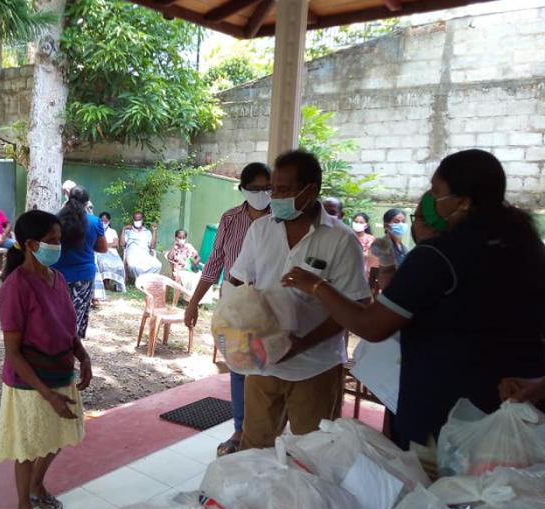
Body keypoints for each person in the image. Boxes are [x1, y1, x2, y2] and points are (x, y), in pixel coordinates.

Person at [281, 149, 545, 449]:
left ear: (465, 201)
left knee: (440, 490)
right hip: (521, 406)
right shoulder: (528, 247)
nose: (431, 200)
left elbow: (372, 326)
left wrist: (316, 286)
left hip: (448, 415)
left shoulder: (439, 256)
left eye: (437, 192)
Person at [230, 150, 371, 450]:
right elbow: (239, 281)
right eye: (273, 188)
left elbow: (355, 309)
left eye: (284, 190)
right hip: (264, 363)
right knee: (253, 450)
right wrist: (232, 320)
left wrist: (299, 345)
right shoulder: (261, 229)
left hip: (316, 366)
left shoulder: (341, 240)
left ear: (311, 190)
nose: (275, 196)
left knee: (314, 456)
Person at [0, 210, 93, 509]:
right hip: (29, 383)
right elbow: (13, 353)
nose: (57, 247)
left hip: (60, 373)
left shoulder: (58, 279)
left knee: (56, 437)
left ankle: (38, 487)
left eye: (59, 241)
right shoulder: (15, 287)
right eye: (51, 241)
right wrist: (47, 394)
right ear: (30, 244)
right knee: (28, 447)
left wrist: (84, 357)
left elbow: (68, 328)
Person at [184, 161, 272, 456]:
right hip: (235, 306)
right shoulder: (231, 219)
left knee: (266, 369)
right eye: (255, 188)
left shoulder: (280, 220)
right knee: (239, 368)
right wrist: (193, 302)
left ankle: (263, 434)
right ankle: (240, 429)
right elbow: (214, 263)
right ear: (243, 189)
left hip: (270, 307)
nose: (262, 194)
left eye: (267, 188)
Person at [52, 187, 107, 339]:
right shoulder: (95, 222)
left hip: (56, 273)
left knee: (55, 313)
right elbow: (103, 248)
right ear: (87, 202)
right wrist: (87, 244)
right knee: (75, 315)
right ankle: (70, 350)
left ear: (68, 197)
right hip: (82, 276)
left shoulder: (56, 219)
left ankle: (51, 349)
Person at [369, 208, 409, 292]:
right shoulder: (380, 244)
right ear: (386, 225)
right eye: (396, 222)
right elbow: (373, 273)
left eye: (403, 221)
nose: (401, 225)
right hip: (386, 293)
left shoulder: (404, 248)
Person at [121, 212, 161, 279]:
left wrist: (154, 231)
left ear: (142, 219)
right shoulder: (128, 232)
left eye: (139, 219)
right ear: (133, 220)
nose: (137, 221)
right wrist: (123, 229)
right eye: (135, 220)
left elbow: (152, 247)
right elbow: (122, 244)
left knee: (158, 265)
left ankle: (148, 280)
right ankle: (139, 281)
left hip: (144, 254)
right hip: (132, 254)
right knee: (133, 266)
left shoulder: (147, 232)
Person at [96, 212, 126, 293]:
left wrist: (103, 245)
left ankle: (118, 285)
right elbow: (95, 244)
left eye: (105, 221)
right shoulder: (96, 230)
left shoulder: (113, 231)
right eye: (102, 221)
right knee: (103, 263)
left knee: (119, 265)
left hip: (112, 253)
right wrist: (108, 245)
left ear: (109, 221)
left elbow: (116, 244)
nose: (103, 223)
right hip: (100, 252)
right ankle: (105, 282)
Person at [351, 212, 376, 277]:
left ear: (366, 225)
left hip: (364, 272)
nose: (358, 224)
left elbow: (369, 256)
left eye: (361, 222)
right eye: (356, 222)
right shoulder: (348, 236)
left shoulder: (370, 239)